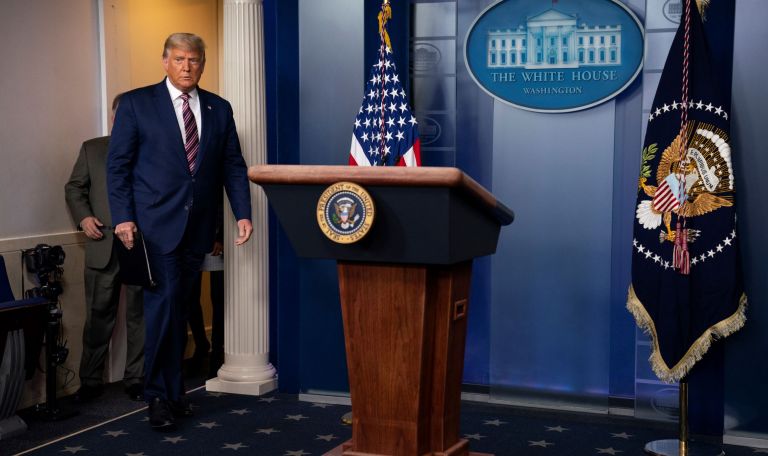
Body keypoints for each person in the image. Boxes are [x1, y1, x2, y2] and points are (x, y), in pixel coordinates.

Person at [107, 32, 252, 431]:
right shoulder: (138, 104)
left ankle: (174, 392)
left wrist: (242, 212)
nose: (187, 66)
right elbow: (117, 167)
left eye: (194, 60)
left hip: (198, 228)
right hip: (153, 228)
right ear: (165, 62)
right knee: (164, 308)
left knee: (180, 308)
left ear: (202, 64)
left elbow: (232, 165)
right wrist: (122, 217)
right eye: (179, 59)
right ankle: (157, 396)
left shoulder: (219, 108)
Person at [65, 94, 145, 403]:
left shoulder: (152, 152)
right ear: (114, 118)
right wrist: (83, 217)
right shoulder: (92, 148)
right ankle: (90, 380)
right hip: (101, 243)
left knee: (141, 316)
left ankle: (137, 378)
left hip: (140, 245)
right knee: (98, 315)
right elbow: (74, 187)